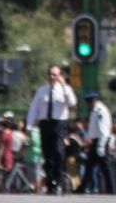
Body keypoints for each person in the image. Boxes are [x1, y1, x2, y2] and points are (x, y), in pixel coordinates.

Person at [26, 65, 78, 194]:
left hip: (59, 123)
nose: (52, 77)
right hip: (45, 124)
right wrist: (29, 125)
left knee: (58, 151)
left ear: (60, 76)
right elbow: (34, 108)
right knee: (47, 153)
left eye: (55, 74)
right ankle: (50, 182)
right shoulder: (41, 91)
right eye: (50, 74)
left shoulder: (65, 89)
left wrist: (64, 86)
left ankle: (58, 179)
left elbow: (72, 102)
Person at [76, 92, 115, 194]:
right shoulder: (94, 111)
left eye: (89, 103)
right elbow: (93, 129)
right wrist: (88, 139)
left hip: (101, 141)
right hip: (95, 142)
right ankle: (82, 188)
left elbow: (103, 130)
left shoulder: (100, 110)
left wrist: (101, 145)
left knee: (106, 168)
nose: (88, 105)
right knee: (89, 167)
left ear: (93, 101)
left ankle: (112, 189)